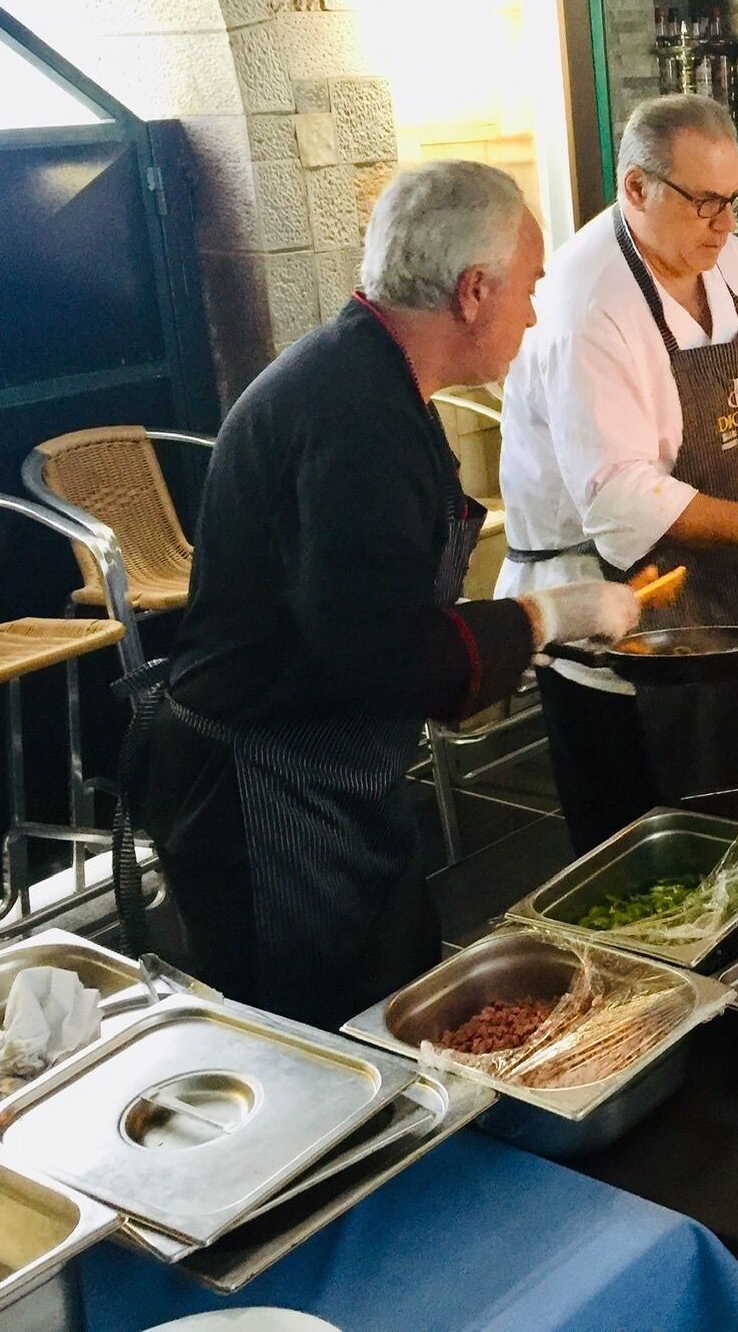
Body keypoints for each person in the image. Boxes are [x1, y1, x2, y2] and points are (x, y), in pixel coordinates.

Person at [134, 162, 640, 1029]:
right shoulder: (357, 418)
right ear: (474, 291)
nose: (531, 314)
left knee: (391, 992)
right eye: (529, 289)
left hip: (325, 769)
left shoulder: (365, 374)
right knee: (318, 1045)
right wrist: (552, 615)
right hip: (266, 794)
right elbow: (378, 653)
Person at [496, 94, 738, 853]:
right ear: (637, 188)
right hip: (626, 618)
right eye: (705, 203)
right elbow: (617, 500)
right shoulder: (587, 303)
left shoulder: (727, 260)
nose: (726, 224)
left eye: (733, 200)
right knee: (670, 863)